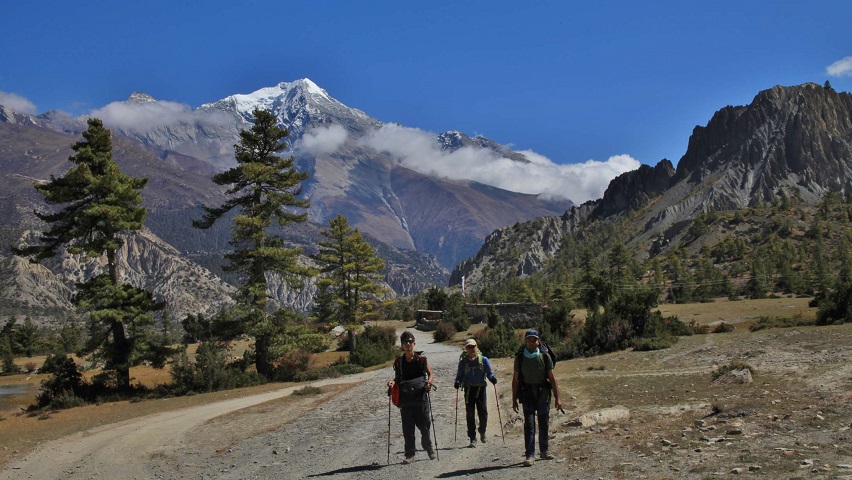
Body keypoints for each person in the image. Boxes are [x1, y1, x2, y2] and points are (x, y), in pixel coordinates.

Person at [512, 329, 562, 466]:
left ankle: (544, 451)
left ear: (538, 341)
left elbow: (552, 378)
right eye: (528, 340)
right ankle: (530, 455)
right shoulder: (520, 357)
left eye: (533, 340)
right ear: (525, 341)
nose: (531, 342)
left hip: (543, 394)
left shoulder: (545, 356)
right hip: (527, 394)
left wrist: (558, 398)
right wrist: (514, 399)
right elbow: (515, 379)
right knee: (529, 425)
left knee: (543, 423)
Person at [387, 331, 436, 464]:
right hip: (406, 399)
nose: (408, 345)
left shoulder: (421, 359)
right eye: (405, 342)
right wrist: (393, 382)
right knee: (407, 428)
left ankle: (428, 447)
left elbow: (430, 373)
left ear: (414, 343)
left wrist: (429, 382)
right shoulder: (399, 362)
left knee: (425, 425)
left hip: (420, 397)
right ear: (402, 345)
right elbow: (398, 378)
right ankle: (410, 454)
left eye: (410, 342)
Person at [454, 338, 497, 448]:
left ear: (476, 347)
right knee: (470, 414)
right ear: (466, 349)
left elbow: (489, 372)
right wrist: (457, 382)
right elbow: (459, 375)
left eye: (472, 347)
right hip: (469, 390)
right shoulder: (463, 362)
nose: (471, 349)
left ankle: (482, 430)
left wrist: (492, 378)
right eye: (468, 347)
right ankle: (473, 438)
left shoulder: (484, 360)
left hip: (480, 389)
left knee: (483, 413)